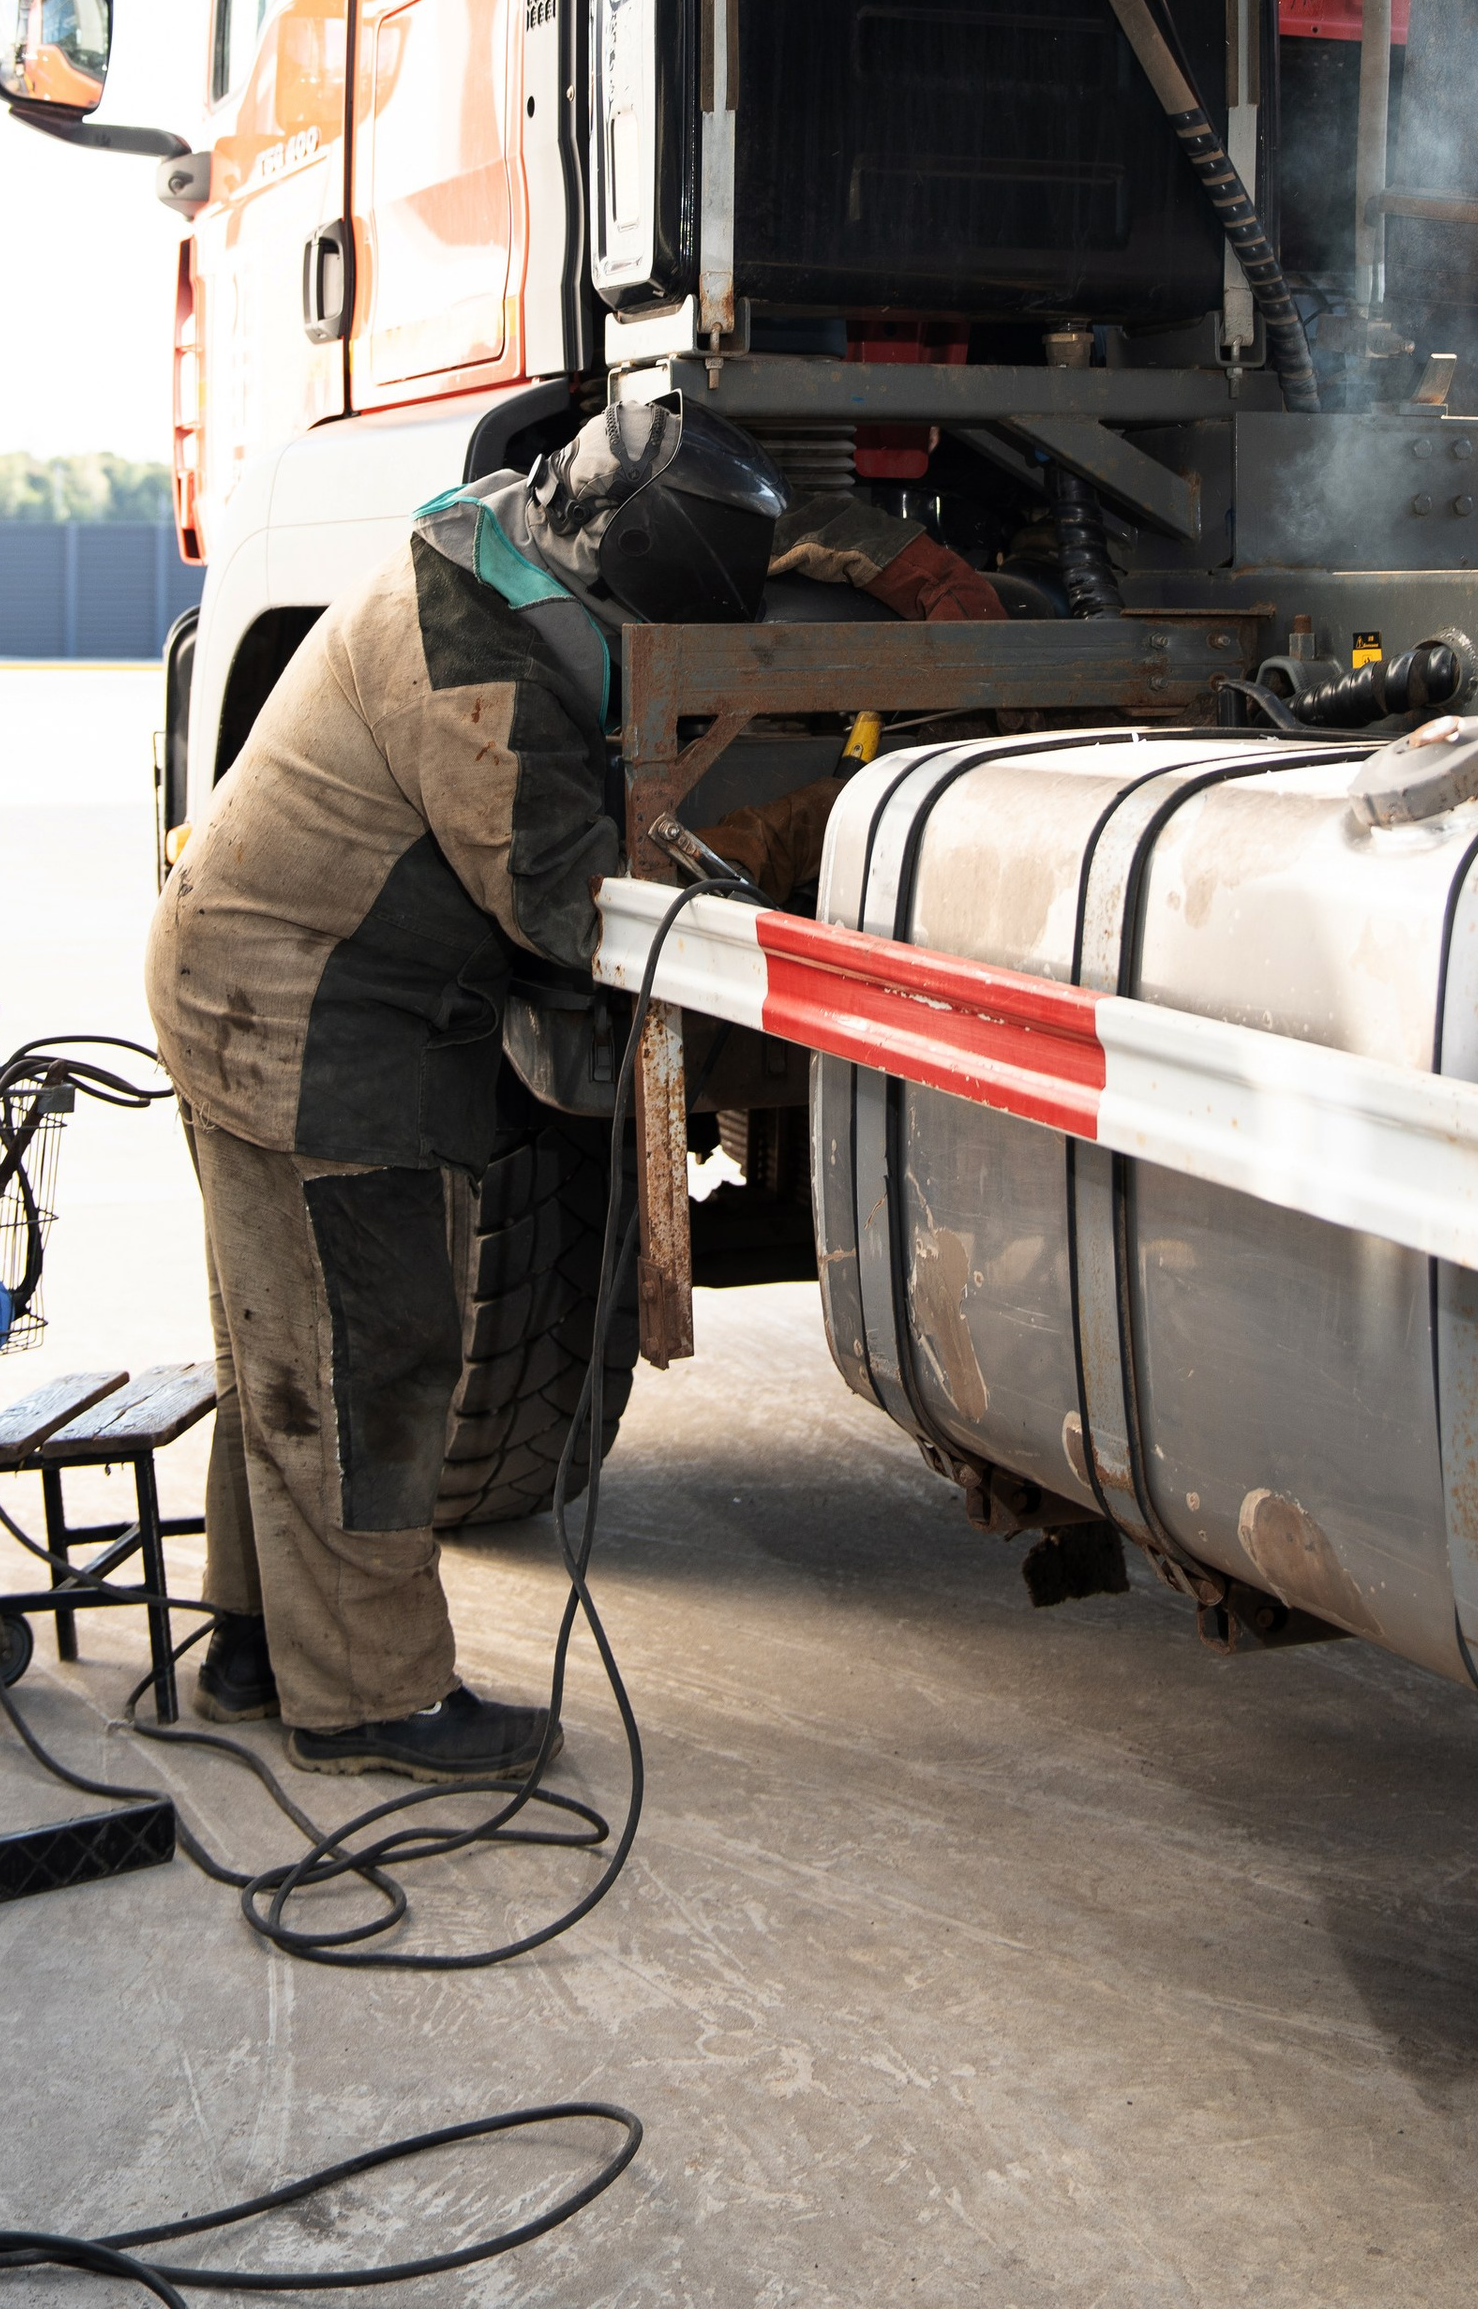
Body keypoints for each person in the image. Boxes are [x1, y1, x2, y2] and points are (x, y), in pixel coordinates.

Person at [144, 390, 1002, 1786]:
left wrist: (890, 563)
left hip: (282, 981)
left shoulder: (532, 520)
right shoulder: (468, 658)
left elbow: (750, 511)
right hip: (294, 1013)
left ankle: (257, 1647)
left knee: (286, 1344)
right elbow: (565, 905)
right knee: (373, 1349)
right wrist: (795, 825)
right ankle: (365, 1700)